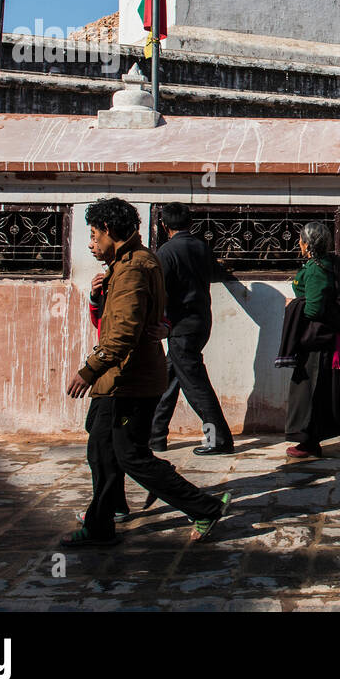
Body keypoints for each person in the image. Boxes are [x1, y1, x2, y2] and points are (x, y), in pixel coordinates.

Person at [63, 198, 230, 546]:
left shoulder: (134, 269)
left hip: (128, 379)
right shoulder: (137, 261)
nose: (92, 243)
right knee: (101, 444)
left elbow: (124, 330)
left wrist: (88, 371)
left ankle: (204, 506)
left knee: (130, 455)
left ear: (109, 231)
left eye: (95, 234)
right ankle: (105, 518)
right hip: (130, 374)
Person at [148, 203, 235, 456]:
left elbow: (160, 291)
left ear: (164, 226)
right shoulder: (201, 247)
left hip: (180, 327)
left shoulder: (166, 252)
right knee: (169, 378)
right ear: (190, 224)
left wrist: (160, 323)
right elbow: (216, 273)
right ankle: (155, 436)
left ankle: (218, 439)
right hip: (200, 323)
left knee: (195, 386)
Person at [282, 221, 340, 460]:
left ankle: (309, 443)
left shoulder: (316, 269)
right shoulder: (332, 264)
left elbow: (313, 309)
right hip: (329, 339)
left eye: (300, 240)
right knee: (326, 392)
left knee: (309, 393)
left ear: (308, 244)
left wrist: (293, 305)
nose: (298, 244)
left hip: (318, 341)